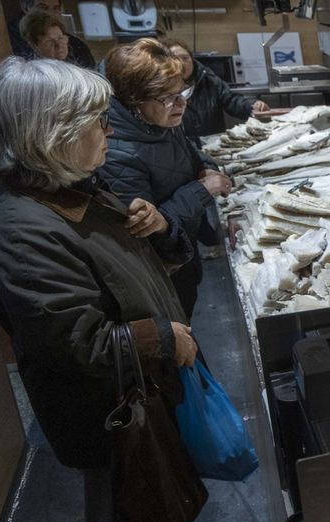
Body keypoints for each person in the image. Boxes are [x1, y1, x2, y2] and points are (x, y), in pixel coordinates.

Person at [0, 57, 229, 522]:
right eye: (94, 120)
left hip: (140, 386)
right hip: (107, 406)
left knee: (156, 509)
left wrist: (156, 230)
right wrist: (160, 336)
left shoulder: (75, 193)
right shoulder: (22, 226)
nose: (109, 131)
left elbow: (129, 267)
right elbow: (73, 340)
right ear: (51, 132)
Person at [98, 38, 233, 319]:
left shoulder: (160, 120)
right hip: (162, 271)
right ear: (135, 100)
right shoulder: (116, 154)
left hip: (186, 249)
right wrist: (201, 190)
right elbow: (146, 232)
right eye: (169, 97)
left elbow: (190, 154)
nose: (181, 103)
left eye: (183, 91)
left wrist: (205, 166)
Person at [161, 38, 269, 140]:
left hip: (213, 145)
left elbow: (230, 99)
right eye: (175, 59)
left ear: (192, 60)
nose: (182, 63)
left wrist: (251, 107)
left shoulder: (208, 79)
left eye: (185, 58)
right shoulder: (159, 89)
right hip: (181, 148)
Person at [9, 0, 95, 68]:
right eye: (43, 7)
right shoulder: (9, 41)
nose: (50, 13)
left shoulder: (77, 46)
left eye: (55, 8)